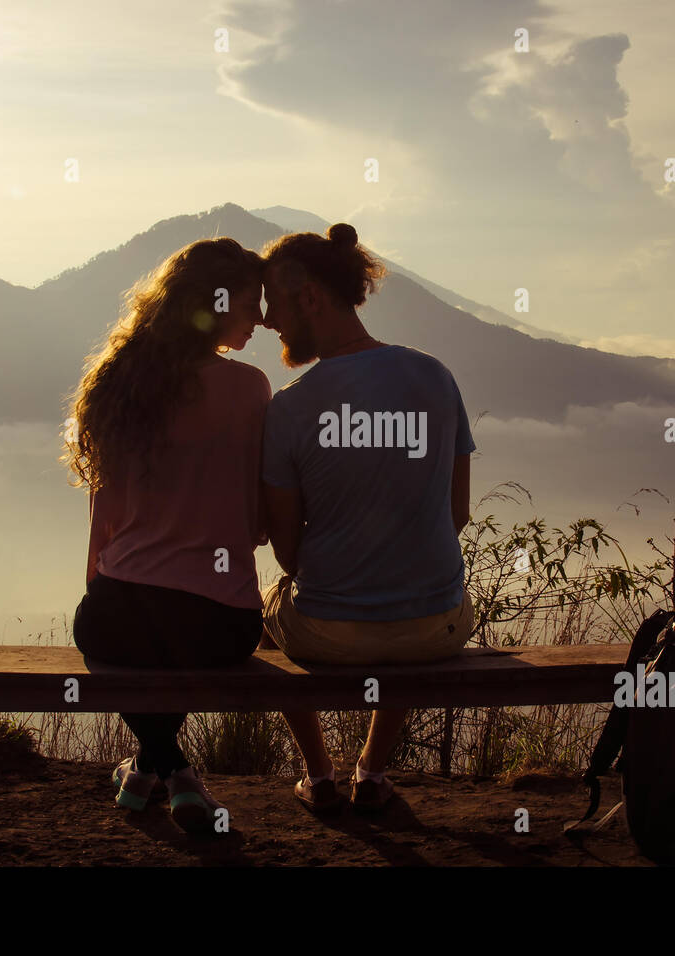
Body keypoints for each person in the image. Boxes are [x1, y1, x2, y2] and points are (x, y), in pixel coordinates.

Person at [257, 222, 476, 815]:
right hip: (437, 630)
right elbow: (455, 513)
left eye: (272, 304)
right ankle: (373, 774)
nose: (266, 322)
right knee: (409, 587)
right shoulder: (435, 375)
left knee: (262, 607)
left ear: (308, 298)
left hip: (328, 634)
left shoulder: (290, 406)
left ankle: (318, 773)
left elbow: (286, 554)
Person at [65, 237, 271, 833]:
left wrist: (99, 583)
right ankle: (177, 775)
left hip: (118, 613)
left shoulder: (121, 383)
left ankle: (152, 770)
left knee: (143, 648)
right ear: (217, 302)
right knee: (176, 646)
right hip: (220, 622)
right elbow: (257, 512)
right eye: (250, 303)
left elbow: (104, 510)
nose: (258, 317)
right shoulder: (249, 388)